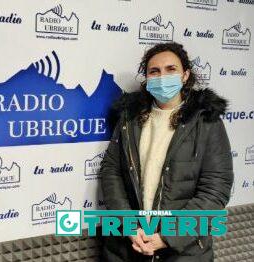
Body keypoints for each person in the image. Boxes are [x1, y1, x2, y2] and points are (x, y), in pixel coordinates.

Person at [99, 42, 234, 261]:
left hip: (184, 252)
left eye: (171, 69)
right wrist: (129, 226)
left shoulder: (206, 121)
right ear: (147, 78)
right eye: (155, 71)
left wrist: (168, 237)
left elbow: (215, 189)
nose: (162, 77)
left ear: (185, 75)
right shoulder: (129, 118)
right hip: (128, 248)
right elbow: (111, 171)